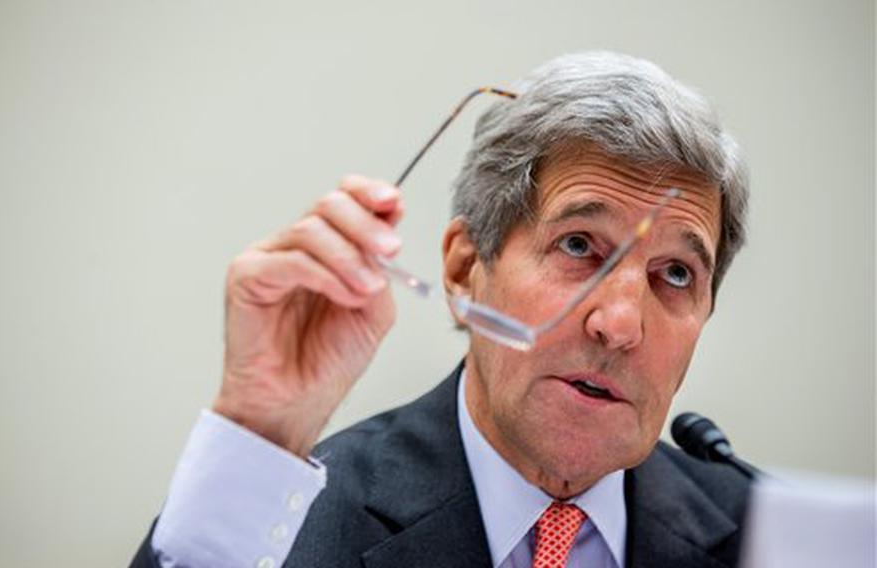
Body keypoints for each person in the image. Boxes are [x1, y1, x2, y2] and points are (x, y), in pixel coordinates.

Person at [130, 51, 751, 568]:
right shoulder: (279, 526)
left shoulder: (766, 536)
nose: (619, 324)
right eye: (579, 246)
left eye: (676, 273)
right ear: (462, 270)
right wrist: (262, 430)